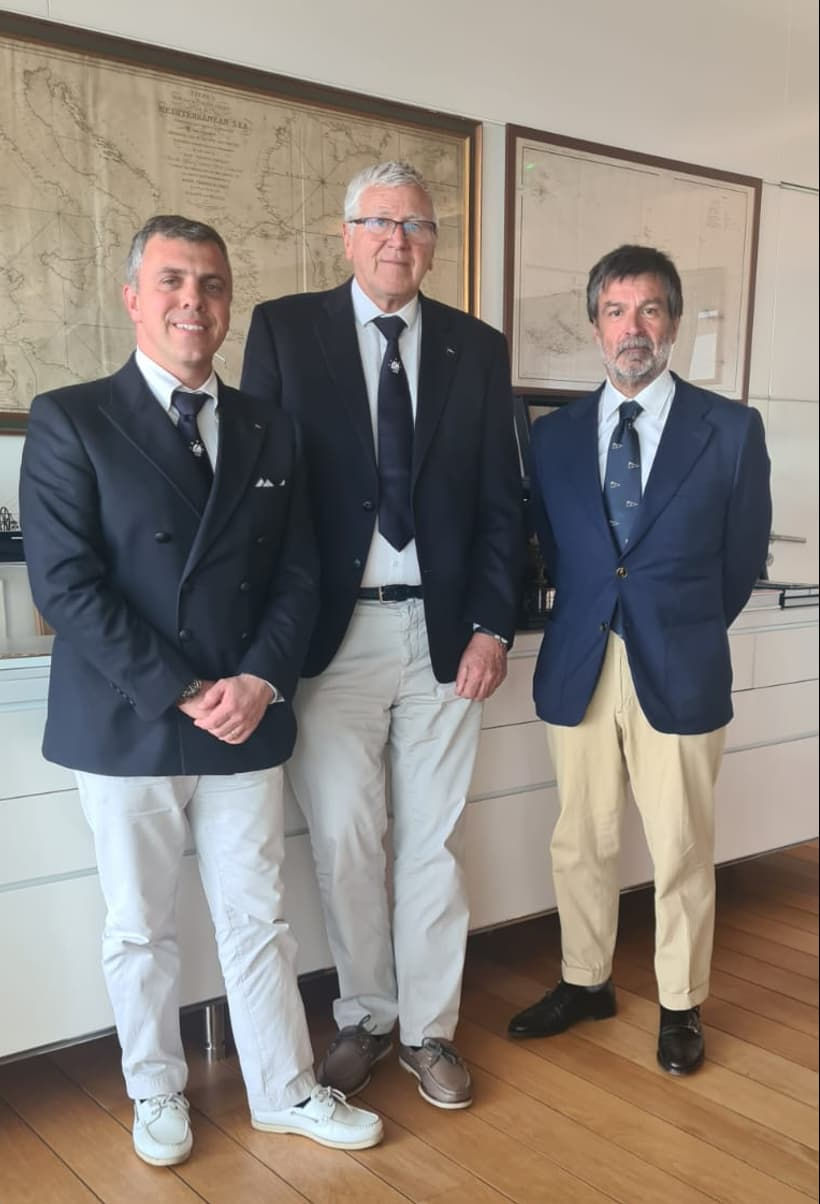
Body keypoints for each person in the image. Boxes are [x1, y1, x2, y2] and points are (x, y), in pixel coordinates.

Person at [19, 215, 383, 1166]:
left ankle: (284, 1087)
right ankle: (154, 1092)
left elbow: (300, 571)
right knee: (139, 925)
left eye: (213, 285)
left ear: (228, 304)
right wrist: (186, 689)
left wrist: (260, 679)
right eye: (174, 281)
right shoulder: (71, 419)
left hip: (244, 715)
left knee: (259, 914)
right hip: (129, 718)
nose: (195, 301)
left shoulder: (272, 427)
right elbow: (66, 585)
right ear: (134, 296)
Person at [241, 161, 523, 1110]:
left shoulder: (476, 350)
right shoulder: (285, 332)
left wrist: (493, 625)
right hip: (332, 640)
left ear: (434, 242)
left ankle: (432, 1030)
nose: (397, 238)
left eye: (415, 223)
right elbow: (261, 496)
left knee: (432, 846)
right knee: (350, 839)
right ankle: (367, 1014)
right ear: (346, 232)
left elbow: (500, 506)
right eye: (379, 221)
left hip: (447, 641)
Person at [507, 244, 771, 1075]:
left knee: (682, 846)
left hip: (681, 662)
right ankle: (585, 981)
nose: (634, 328)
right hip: (581, 659)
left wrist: (679, 623)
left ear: (675, 322)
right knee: (578, 839)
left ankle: (681, 1004)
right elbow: (555, 549)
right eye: (617, 312)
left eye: (650, 310)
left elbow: (740, 559)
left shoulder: (729, 429)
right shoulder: (550, 441)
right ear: (594, 326)